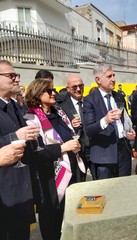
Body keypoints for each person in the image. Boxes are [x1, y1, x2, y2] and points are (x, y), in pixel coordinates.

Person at [24, 78, 81, 240]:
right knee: (52, 223)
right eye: (49, 91)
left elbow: (70, 136)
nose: (54, 93)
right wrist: (63, 148)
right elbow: (36, 153)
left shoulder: (59, 113)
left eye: (54, 90)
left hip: (71, 173)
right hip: (49, 179)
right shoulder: (30, 118)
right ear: (38, 93)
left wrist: (75, 145)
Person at [0, 60, 40, 240]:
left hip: (22, 189)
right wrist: (14, 137)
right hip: (5, 193)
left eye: (16, 76)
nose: (16, 79)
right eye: (11, 76)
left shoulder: (15, 106)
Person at [83, 63, 136, 180]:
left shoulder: (119, 97)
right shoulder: (89, 100)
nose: (113, 79)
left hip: (124, 153)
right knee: (105, 194)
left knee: (125, 189)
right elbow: (89, 129)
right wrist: (105, 120)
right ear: (98, 80)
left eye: (114, 75)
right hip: (104, 157)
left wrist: (129, 133)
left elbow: (125, 121)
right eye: (109, 76)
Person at [60, 74, 90, 181]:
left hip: (93, 149)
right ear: (68, 89)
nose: (78, 89)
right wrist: (70, 125)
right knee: (79, 183)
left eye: (81, 86)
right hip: (76, 152)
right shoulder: (62, 108)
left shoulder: (90, 102)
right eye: (74, 87)